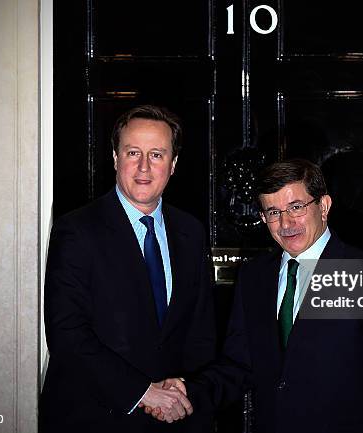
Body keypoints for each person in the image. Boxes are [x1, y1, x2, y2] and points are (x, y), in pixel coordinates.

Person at [154, 158, 363, 432]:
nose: (286, 223)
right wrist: (189, 391)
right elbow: (240, 363)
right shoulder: (254, 278)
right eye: (273, 212)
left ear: (324, 206)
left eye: (296, 207)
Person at [40, 105, 215, 433]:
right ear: (116, 157)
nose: (144, 167)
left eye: (157, 155)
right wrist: (144, 393)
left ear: (174, 164)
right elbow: (67, 333)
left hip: (174, 419)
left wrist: (187, 392)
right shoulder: (77, 230)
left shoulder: (191, 232)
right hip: (96, 418)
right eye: (133, 152)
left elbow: (200, 332)